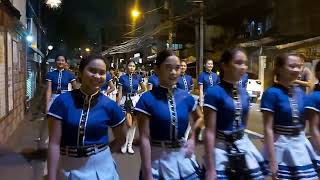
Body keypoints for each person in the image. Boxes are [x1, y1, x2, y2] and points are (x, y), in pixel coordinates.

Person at [47, 55, 127, 180]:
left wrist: (101, 154)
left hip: (102, 169)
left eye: (102, 73)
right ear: (80, 72)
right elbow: (54, 144)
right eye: (92, 71)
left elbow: (121, 139)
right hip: (68, 165)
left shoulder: (110, 106)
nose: (97, 76)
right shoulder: (62, 102)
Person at [136, 49, 203, 180]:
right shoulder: (147, 99)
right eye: (168, 68)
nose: (173, 72)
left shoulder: (186, 97)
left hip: (183, 157)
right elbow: (144, 138)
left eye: (177, 68)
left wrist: (193, 138)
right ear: (157, 69)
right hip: (158, 158)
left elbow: (200, 118)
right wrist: (147, 171)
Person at [204, 47, 267, 180]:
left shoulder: (244, 93)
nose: (243, 67)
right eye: (238, 63)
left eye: (245, 63)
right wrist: (210, 167)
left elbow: (243, 125)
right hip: (220, 149)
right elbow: (209, 132)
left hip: (244, 146)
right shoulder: (213, 93)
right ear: (225, 66)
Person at [261, 52, 319, 179]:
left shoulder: (301, 93)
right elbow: (268, 129)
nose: (297, 70)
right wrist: (272, 160)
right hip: (281, 147)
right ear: (279, 69)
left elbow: (312, 124)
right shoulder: (271, 93)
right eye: (292, 66)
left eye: (299, 66)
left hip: (301, 145)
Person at [117, 60, 146, 154]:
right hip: (125, 101)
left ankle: (129, 145)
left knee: (133, 124)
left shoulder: (138, 77)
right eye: (130, 66)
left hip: (135, 101)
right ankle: (124, 144)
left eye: (133, 66)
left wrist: (136, 94)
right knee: (127, 124)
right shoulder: (122, 78)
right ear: (127, 67)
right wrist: (117, 103)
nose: (132, 67)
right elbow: (120, 92)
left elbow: (143, 88)